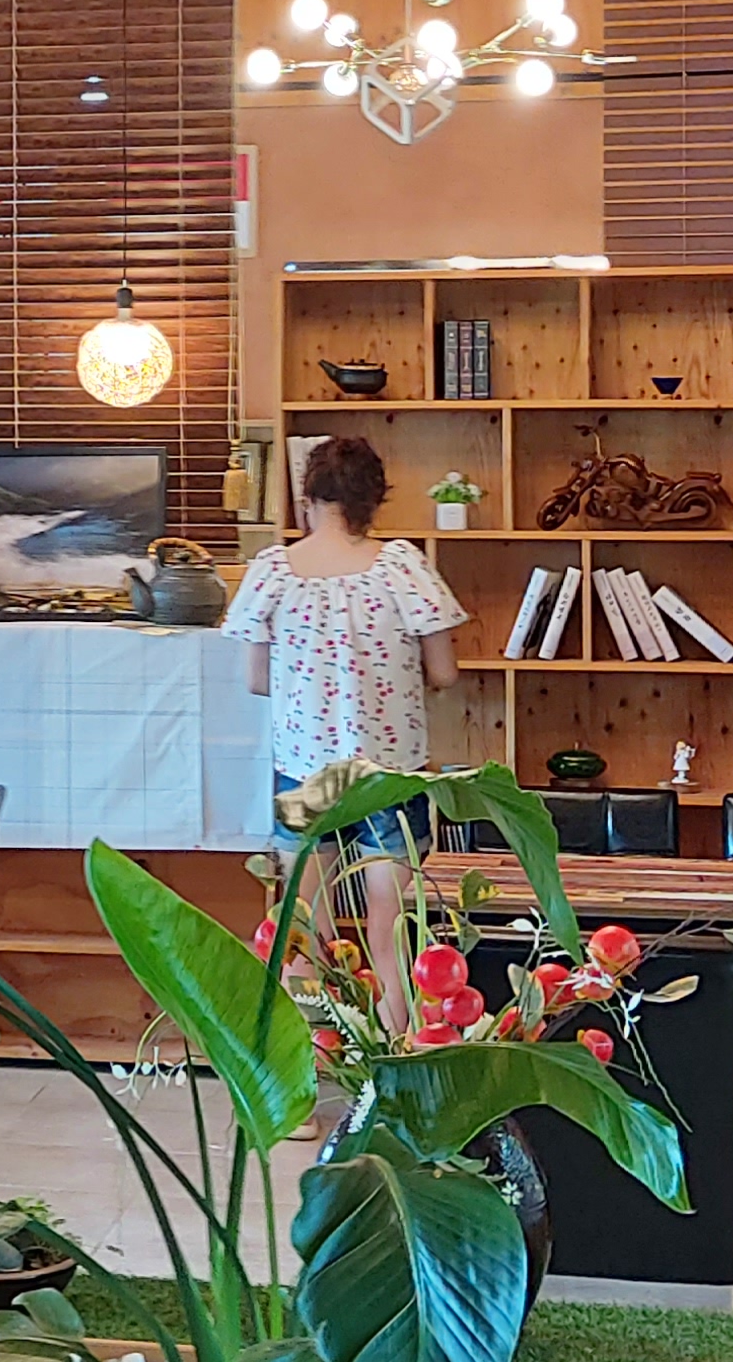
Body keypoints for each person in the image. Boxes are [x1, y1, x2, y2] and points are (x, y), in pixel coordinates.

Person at [220, 436, 466, 1033]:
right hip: (390, 774)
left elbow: (255, 680)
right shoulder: (403, 566)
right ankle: (396, 1053)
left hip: (305, 770)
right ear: (374, 501)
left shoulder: (272, 570)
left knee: (303, 925)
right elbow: (444, 672)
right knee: (390, 926)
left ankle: (313, 1058)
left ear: (307, 499)